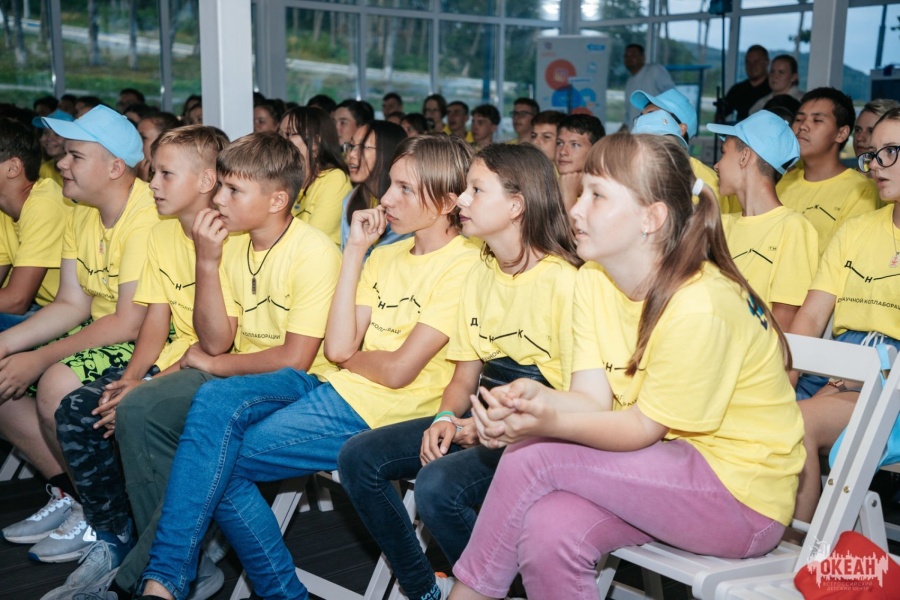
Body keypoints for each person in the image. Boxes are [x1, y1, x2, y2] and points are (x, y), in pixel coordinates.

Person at [446, 132, 805, 600]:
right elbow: (591, 399)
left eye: (597, 196)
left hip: (741, 498)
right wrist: (536, 401)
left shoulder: (700, 304)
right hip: (664, 471)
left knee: (531, 455)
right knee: (550, 527)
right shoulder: (594, 280)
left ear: (651, 218)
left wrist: (545, 423)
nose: (575, 209)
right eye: (581, 192)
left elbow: (641, 428)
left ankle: (467, 595)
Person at [134, 133, 481, 600]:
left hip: (387, 411)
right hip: (340, 389)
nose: (386, 198)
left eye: (404, 189)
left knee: (218, 458)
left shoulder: (464, 265)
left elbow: (397, 371)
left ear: (446, 203)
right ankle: (171, 581)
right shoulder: (385, 254)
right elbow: (338, 347)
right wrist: (356, 250)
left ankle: (177, 582)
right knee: (215, 421)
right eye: (390, 184)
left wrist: (353, 358)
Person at [338, 142, 580, 600]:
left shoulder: (565, 282)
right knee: (359, 457)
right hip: (482, 415)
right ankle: (424, 588)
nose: (461, 200)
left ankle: (498, 591)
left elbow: (575, 403)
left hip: (543, 432)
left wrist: (486, 426)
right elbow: (465, 376)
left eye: (476, 190)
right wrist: (447, 417)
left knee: (438, 486)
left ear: (516, 205)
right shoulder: (480, 270)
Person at [107, 131, 342, 597]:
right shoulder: (234, 243)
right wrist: (207, 264)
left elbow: (296, 359)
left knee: (212, 426)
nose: (219, 198)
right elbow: (216, 341)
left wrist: (215, 366)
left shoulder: (313, 251)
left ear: (277, 200)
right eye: (222, 186)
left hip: (301, 382)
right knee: (141, 410)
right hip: (240, 375)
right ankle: (173, 567)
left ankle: (150, 577)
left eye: (234, 190)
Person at [39, 125, 231, 600]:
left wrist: (143, 387)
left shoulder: (226, 237)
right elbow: (156, 320)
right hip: (173, 360)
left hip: (213, 366)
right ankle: (116, 537)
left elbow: (216, 346)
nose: (153, 184)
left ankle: (179, 558)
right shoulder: (163, 233)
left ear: (206, 181)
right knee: (83, 409)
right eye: (153, 172)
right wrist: (129, 379)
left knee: (133, 413)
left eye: (165, 174)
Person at [0, 106, 158, 563]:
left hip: (147, 339)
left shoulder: (146, 216)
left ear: (115, 167)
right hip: (103, 329)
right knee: (4, 370)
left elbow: (128, 322)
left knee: (54, 383)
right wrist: (9, 345)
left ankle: (104, 514)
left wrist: (40, 356)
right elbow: (72, 303)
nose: (61, 163)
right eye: (65, 153)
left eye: (75, 156)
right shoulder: (81, 210)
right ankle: (76, 495)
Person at [789, 108, 900, 521]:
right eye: (872, 154)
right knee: (758, 413)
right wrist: (784, 381)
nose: (875, 165)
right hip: (843, 371)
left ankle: (794, 549)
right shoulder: (856, 230)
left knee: (797, 425)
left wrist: (845, 380)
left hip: (888, 380)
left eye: (891, 151)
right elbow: (811, 317)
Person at [708, 110, 818, 331]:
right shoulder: (720, 224)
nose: (716, 165)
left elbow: (784, 318)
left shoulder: (792, 227)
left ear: (745, 156)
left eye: (724, 152)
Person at [777, 88, 879, 254]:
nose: (803, 126)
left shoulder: (861, 191)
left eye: (817, 120)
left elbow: (848, 258)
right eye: (799, 119)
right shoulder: (780, 182)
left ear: (841, 134)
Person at [0, 118, 71, 330]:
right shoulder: (4, 207)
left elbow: (16, 301)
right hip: (42, 308)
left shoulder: (44, 204)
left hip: (70, 316)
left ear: (13, 167)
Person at [631, 88, 739, 213]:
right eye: (641, 116)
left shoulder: (710, 183)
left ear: (681, 129)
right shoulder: (632, 171)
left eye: (652, 115)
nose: (643, 121)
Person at [279, 106, 352, 245]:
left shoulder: (335, 179)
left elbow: (314, 239)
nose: (281, 141)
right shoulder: (283, 178)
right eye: (280, 134)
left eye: (288, 134)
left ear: (315, 143)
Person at [341, 120, 408, 250]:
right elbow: (347, 251)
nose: (352, 154)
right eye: (351, 146)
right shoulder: (352, 198)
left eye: (364, 147)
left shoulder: (406, 202)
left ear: (387, 153)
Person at [556, 113, 605, 211]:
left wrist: (569, 195)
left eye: (574, 144)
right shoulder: (546, 187)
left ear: (595, 150)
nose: (563, 152)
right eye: (559, 143)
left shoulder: (605, 193)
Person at [622, 44, 674, 129]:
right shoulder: (629, 82)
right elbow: (628, 118)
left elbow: (672, 97)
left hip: (655, 131)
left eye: (633, 55)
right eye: (626, 56)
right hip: (636, 133)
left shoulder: (654, 70)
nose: (629, 58)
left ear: (643, 57)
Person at [719, 45, 771, 122]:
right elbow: (720, 116)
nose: (752, 66)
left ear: (767, 62)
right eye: (748, 62)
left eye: (756, 62)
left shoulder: (773, 89)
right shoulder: (737, 90)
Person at [32, 109, 73, 187]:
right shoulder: (44, 170)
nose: (49, 139)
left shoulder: (79, 173)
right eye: (46, 133)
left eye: (57, 134)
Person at [135, 111, 181, 182]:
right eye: (137, 138)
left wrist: (141, 181)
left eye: (143, 138)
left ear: (165, 140)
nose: (137, 143)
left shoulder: (178, 174)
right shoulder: (139, 170)